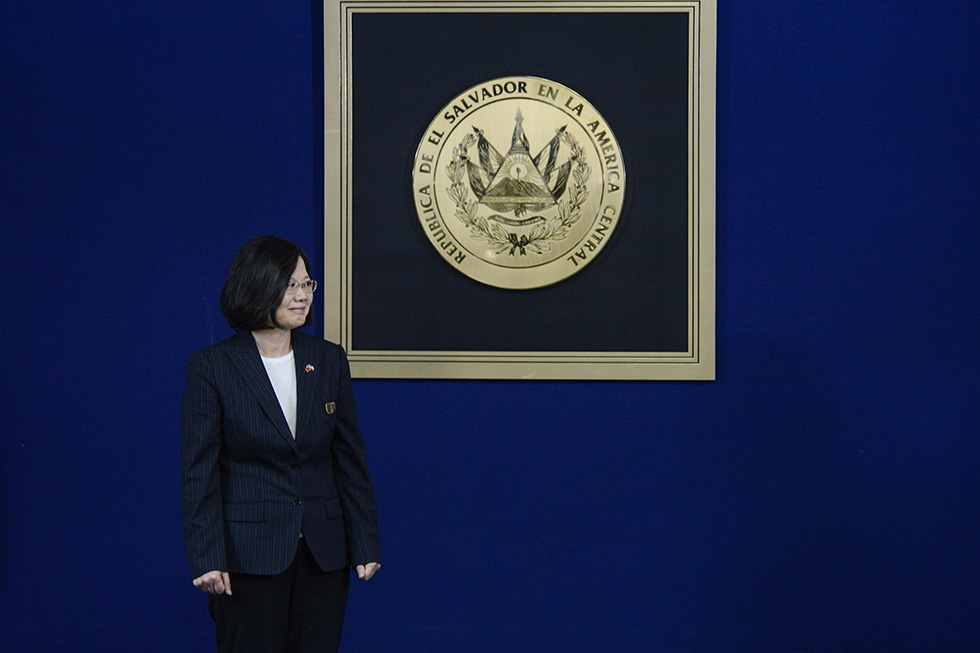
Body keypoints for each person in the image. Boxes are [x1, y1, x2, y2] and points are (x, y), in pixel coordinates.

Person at [181, 235, 380, 652]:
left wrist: (364, 541)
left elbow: (348, 458)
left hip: (324, 555)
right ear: (258, 285)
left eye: (307, 285)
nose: (302, 295)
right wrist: (207, 557)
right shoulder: (214, 366)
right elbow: (200, 470)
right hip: (247, 556)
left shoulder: (328, 359)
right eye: (290, 285)